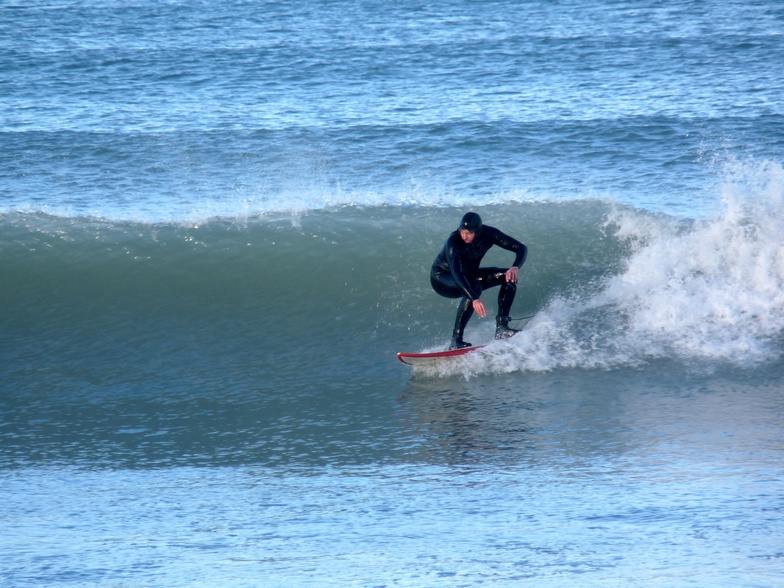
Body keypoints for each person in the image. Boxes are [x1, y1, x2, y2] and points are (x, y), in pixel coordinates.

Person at [431, 212, 528, 350]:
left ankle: (502, 328)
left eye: (468, 233)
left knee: (508, 276)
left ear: (477, 231)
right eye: (462, 232)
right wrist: (474, 299)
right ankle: (456, 340)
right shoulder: (453, 242)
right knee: (474, 287)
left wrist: (515, 267)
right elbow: (457, 273)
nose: (464, 236)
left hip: (468, 275)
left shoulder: (489, 234)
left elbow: (521, 248)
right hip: (442, 278)